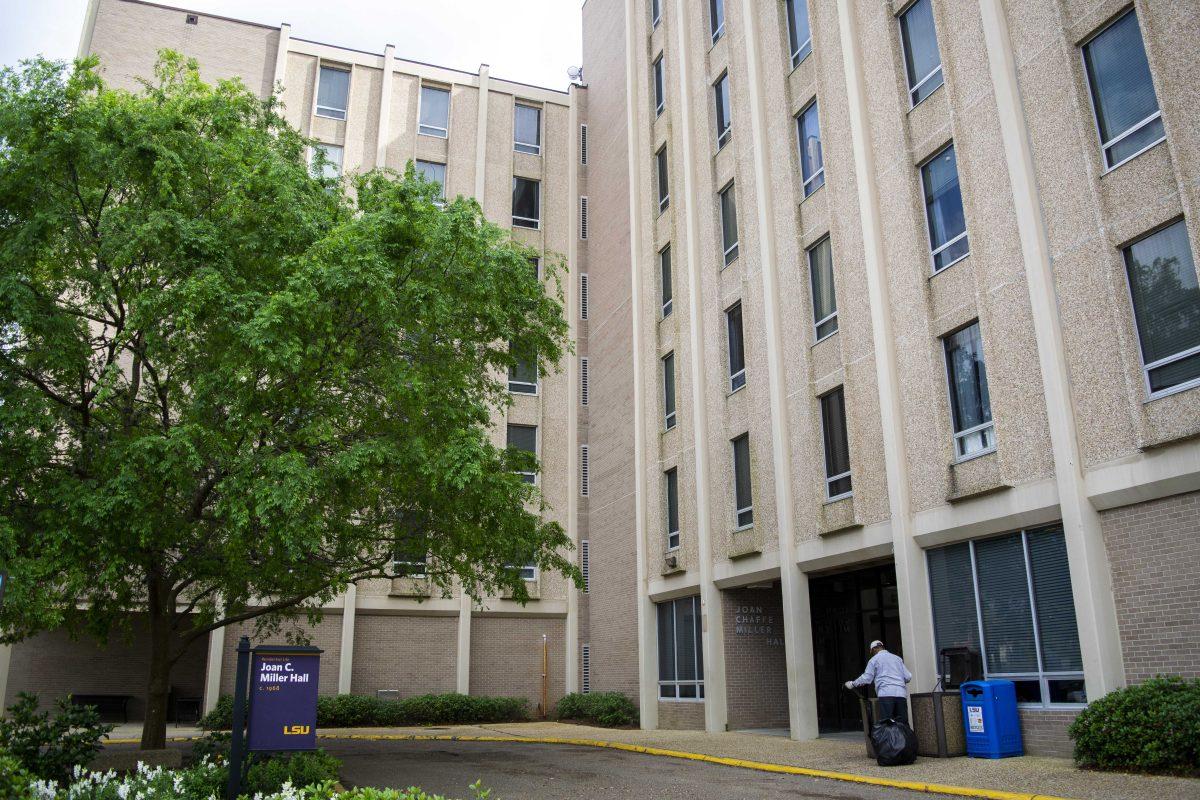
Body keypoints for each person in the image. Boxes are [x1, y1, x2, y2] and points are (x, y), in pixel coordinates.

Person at [845, 640, 912, 725]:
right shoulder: (897, 659)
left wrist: (852, 684)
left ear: (873, 649)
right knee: (902, 723)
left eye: (872, 652)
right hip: (901, 695)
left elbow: (866, 678)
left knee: (887, 723)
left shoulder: (874, 660)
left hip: (886, 694)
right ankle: (902, 738)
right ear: (882, 647)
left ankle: (889, 739)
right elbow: (908, 677)